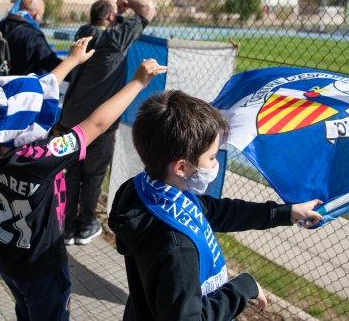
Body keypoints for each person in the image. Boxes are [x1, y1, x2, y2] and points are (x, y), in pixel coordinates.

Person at [0, 37, 165, 321]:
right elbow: (97, 125)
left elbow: (20, 102)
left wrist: (71, 61)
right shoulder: (40, 159)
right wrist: (138, 82)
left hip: (9, 258)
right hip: (43, 268)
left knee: (26, 313)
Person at [108, 90, 324, 321]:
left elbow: (220, 212)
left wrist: (286, 213)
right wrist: (242, 287)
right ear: (181, 168)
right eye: (211, 157)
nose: (215, 163)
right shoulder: (178, 247)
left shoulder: (147, 191)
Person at [59, 0, 155, 245]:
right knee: (92, 177)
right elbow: (147, 10)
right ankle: (86, 225)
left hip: (70, 120)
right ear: (111, 18)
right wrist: (129, 2)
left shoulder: (83, 35)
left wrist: (119, 13)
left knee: (71, 175)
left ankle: (67, 228)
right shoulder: (114, 39)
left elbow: (116, 22)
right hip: (98, 126)